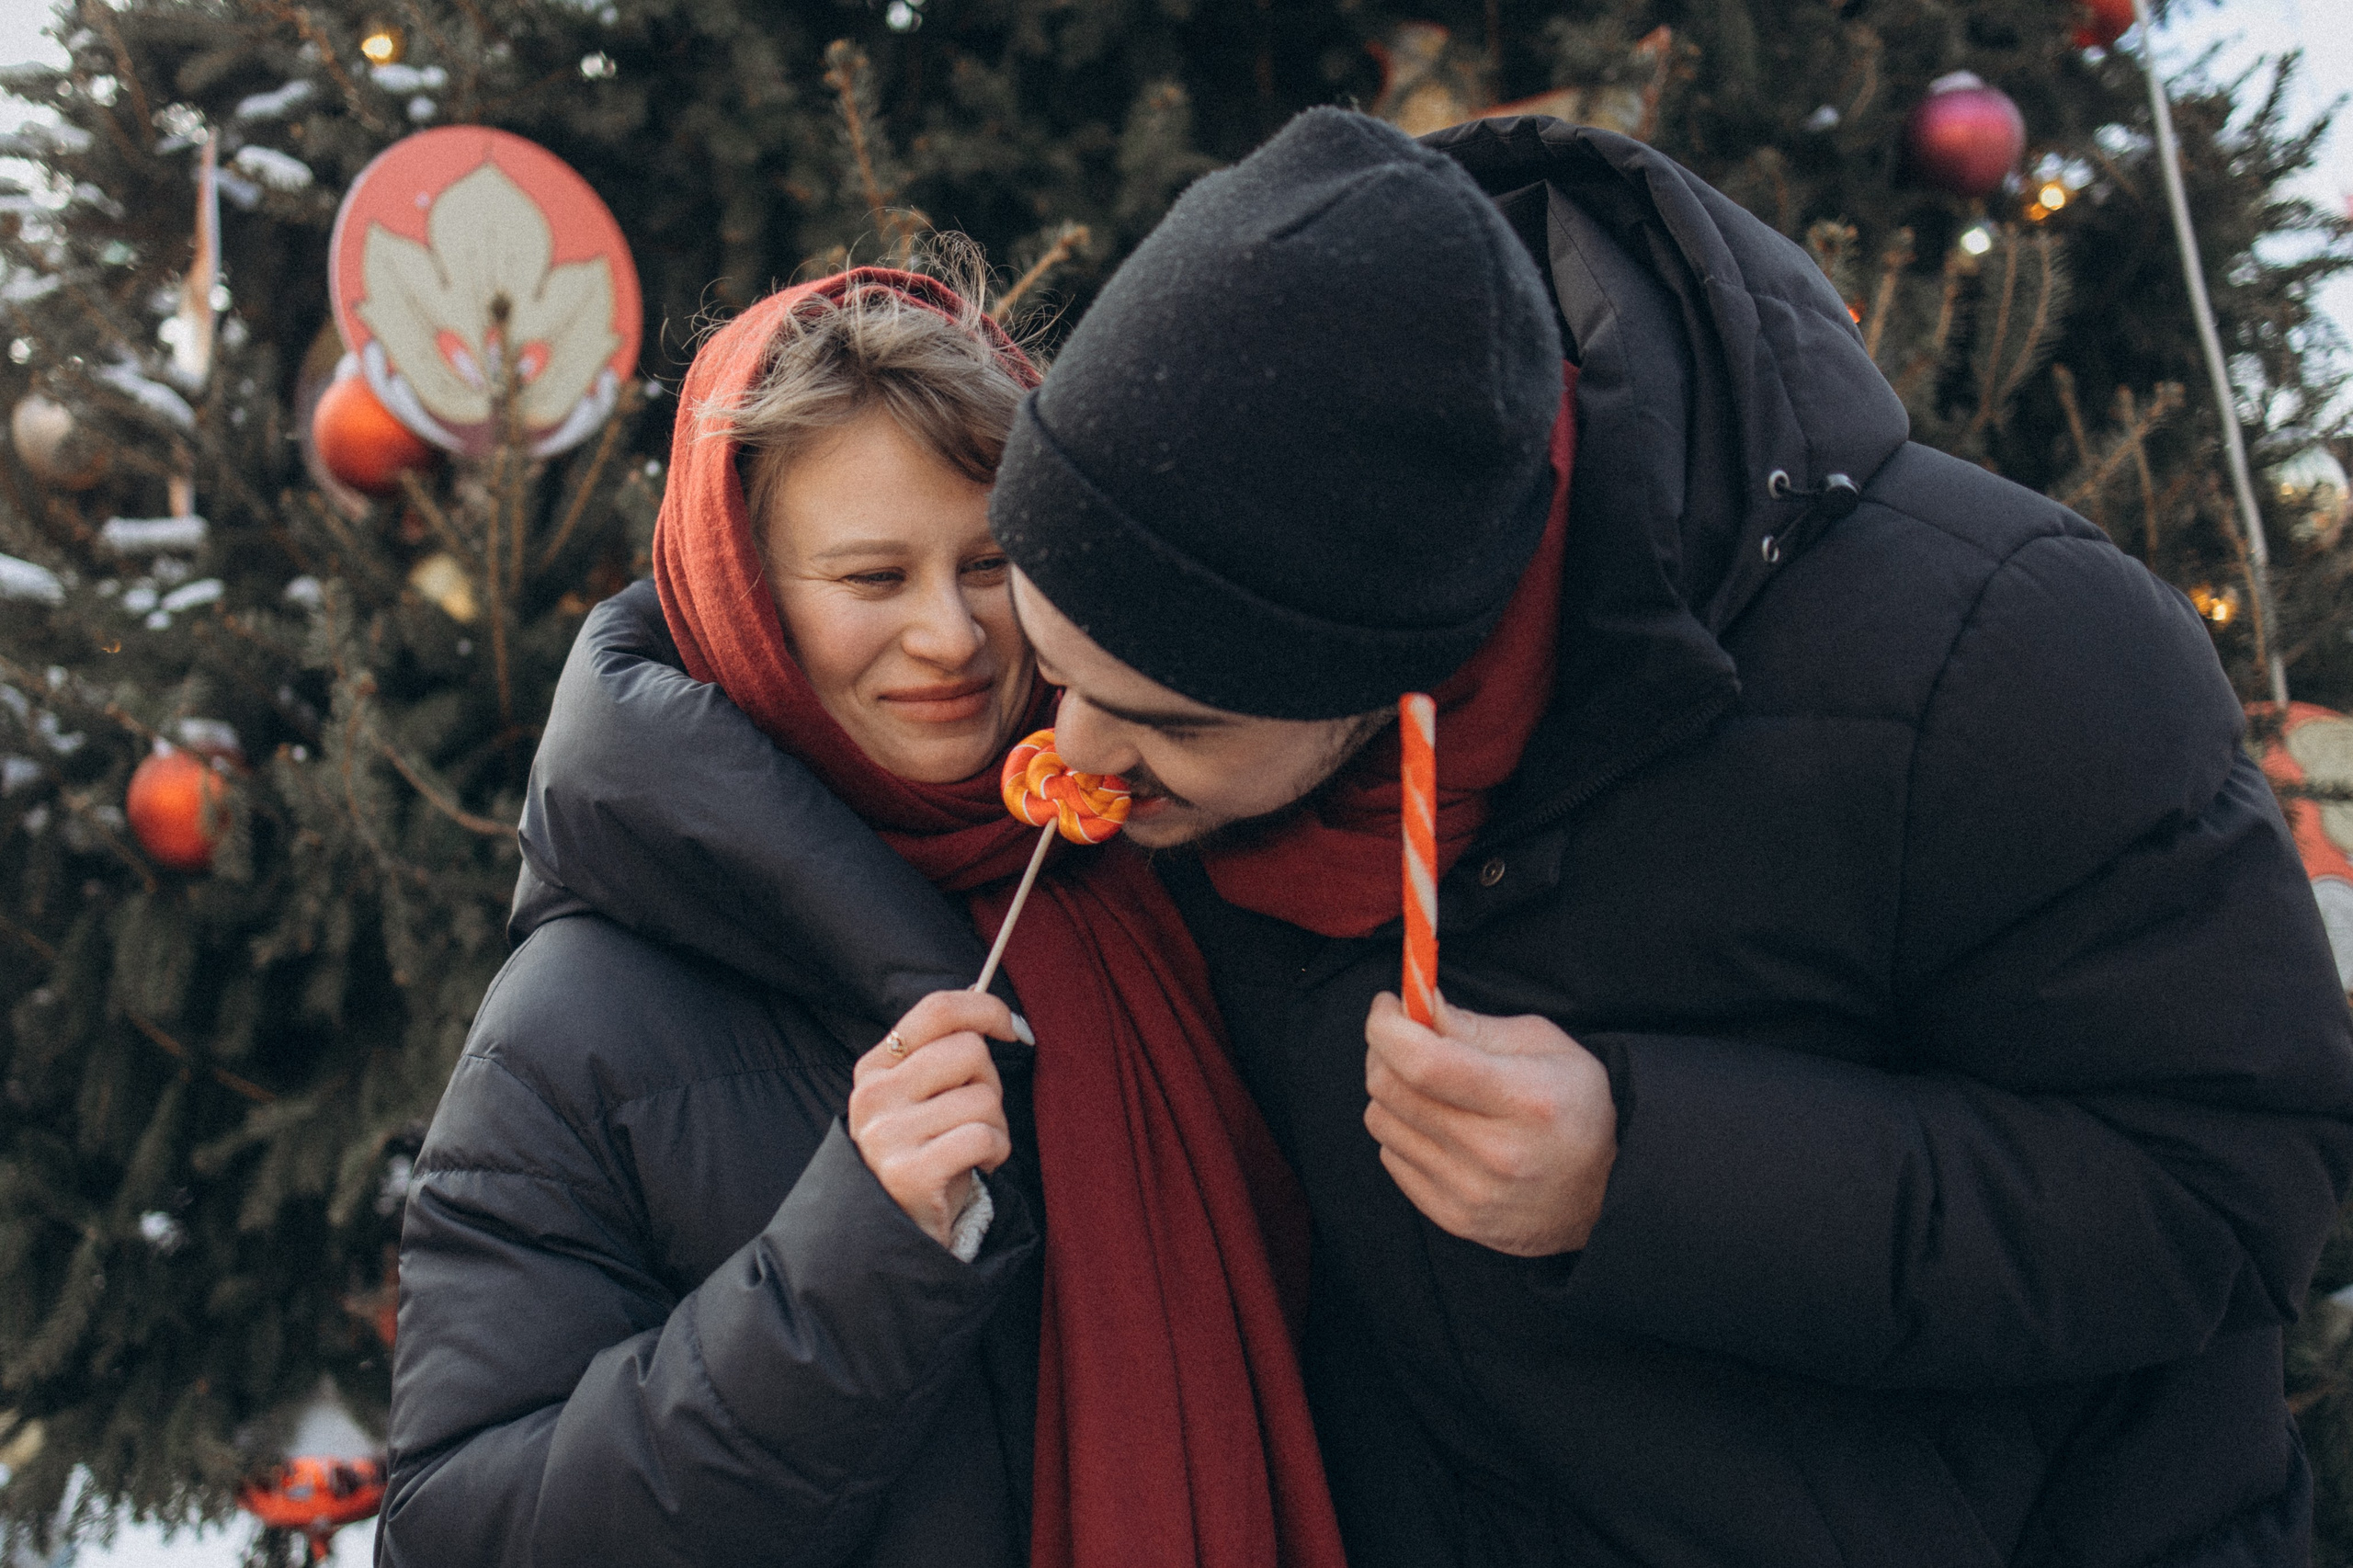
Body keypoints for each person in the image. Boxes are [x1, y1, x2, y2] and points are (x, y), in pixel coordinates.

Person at [984, 108, 2353, 1567]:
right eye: (1052, 669)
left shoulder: (2008, 655)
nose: (1076, 757)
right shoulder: (1187, 802)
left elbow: (2232, 1184)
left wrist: (1642, 1173)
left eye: (1173, 719)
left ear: (1397, 659)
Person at [380, 263, 1346, 1568]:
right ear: (748, 597)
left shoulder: (1177, 872)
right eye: (874, 577)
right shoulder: (580, 1024)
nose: (951, 636)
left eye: (992, 564)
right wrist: (848, 1268)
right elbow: (459, 1534)